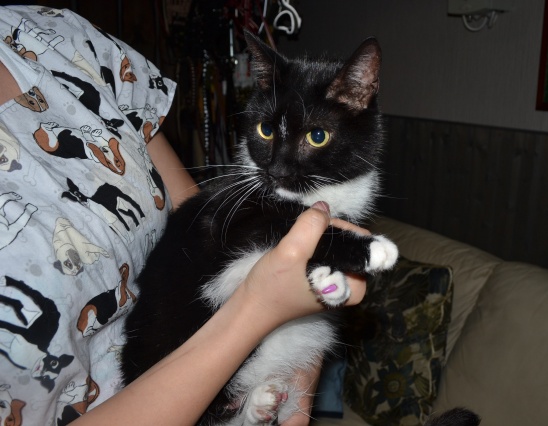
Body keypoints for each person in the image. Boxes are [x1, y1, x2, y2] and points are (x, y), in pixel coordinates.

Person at [0, 5, 366, 425]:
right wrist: (262, 308)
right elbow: (267, 293)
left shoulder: (61, 34)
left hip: (244, 375)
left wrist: (296, 378)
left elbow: (201, 224)